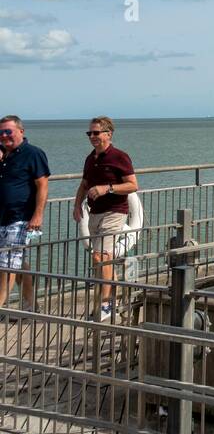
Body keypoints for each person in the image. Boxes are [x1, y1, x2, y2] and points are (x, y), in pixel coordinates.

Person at [73, 117, 138, 320]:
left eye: (96, 133)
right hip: (95, 212)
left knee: (101, 257)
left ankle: (105, 306)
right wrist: (76, 206)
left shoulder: (120, 157)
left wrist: (107, 188)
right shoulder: (90, 158)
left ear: (108, 134)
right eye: (89, 133)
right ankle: (114, 298)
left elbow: (133, 185)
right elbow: (84, 184)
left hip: (115, 211)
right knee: (102, 258)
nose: (92, 136)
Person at [0, 115, 49, 312]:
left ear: (21, 131)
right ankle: (30, 306)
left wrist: (38, 215)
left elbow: (42, 185)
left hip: (20, 218)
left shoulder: (33, 153)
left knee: (7, 265)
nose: (4, 136)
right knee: (18, 263)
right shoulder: (4, 156)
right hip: (2, 218)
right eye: (1, 133)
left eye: (8, 131)